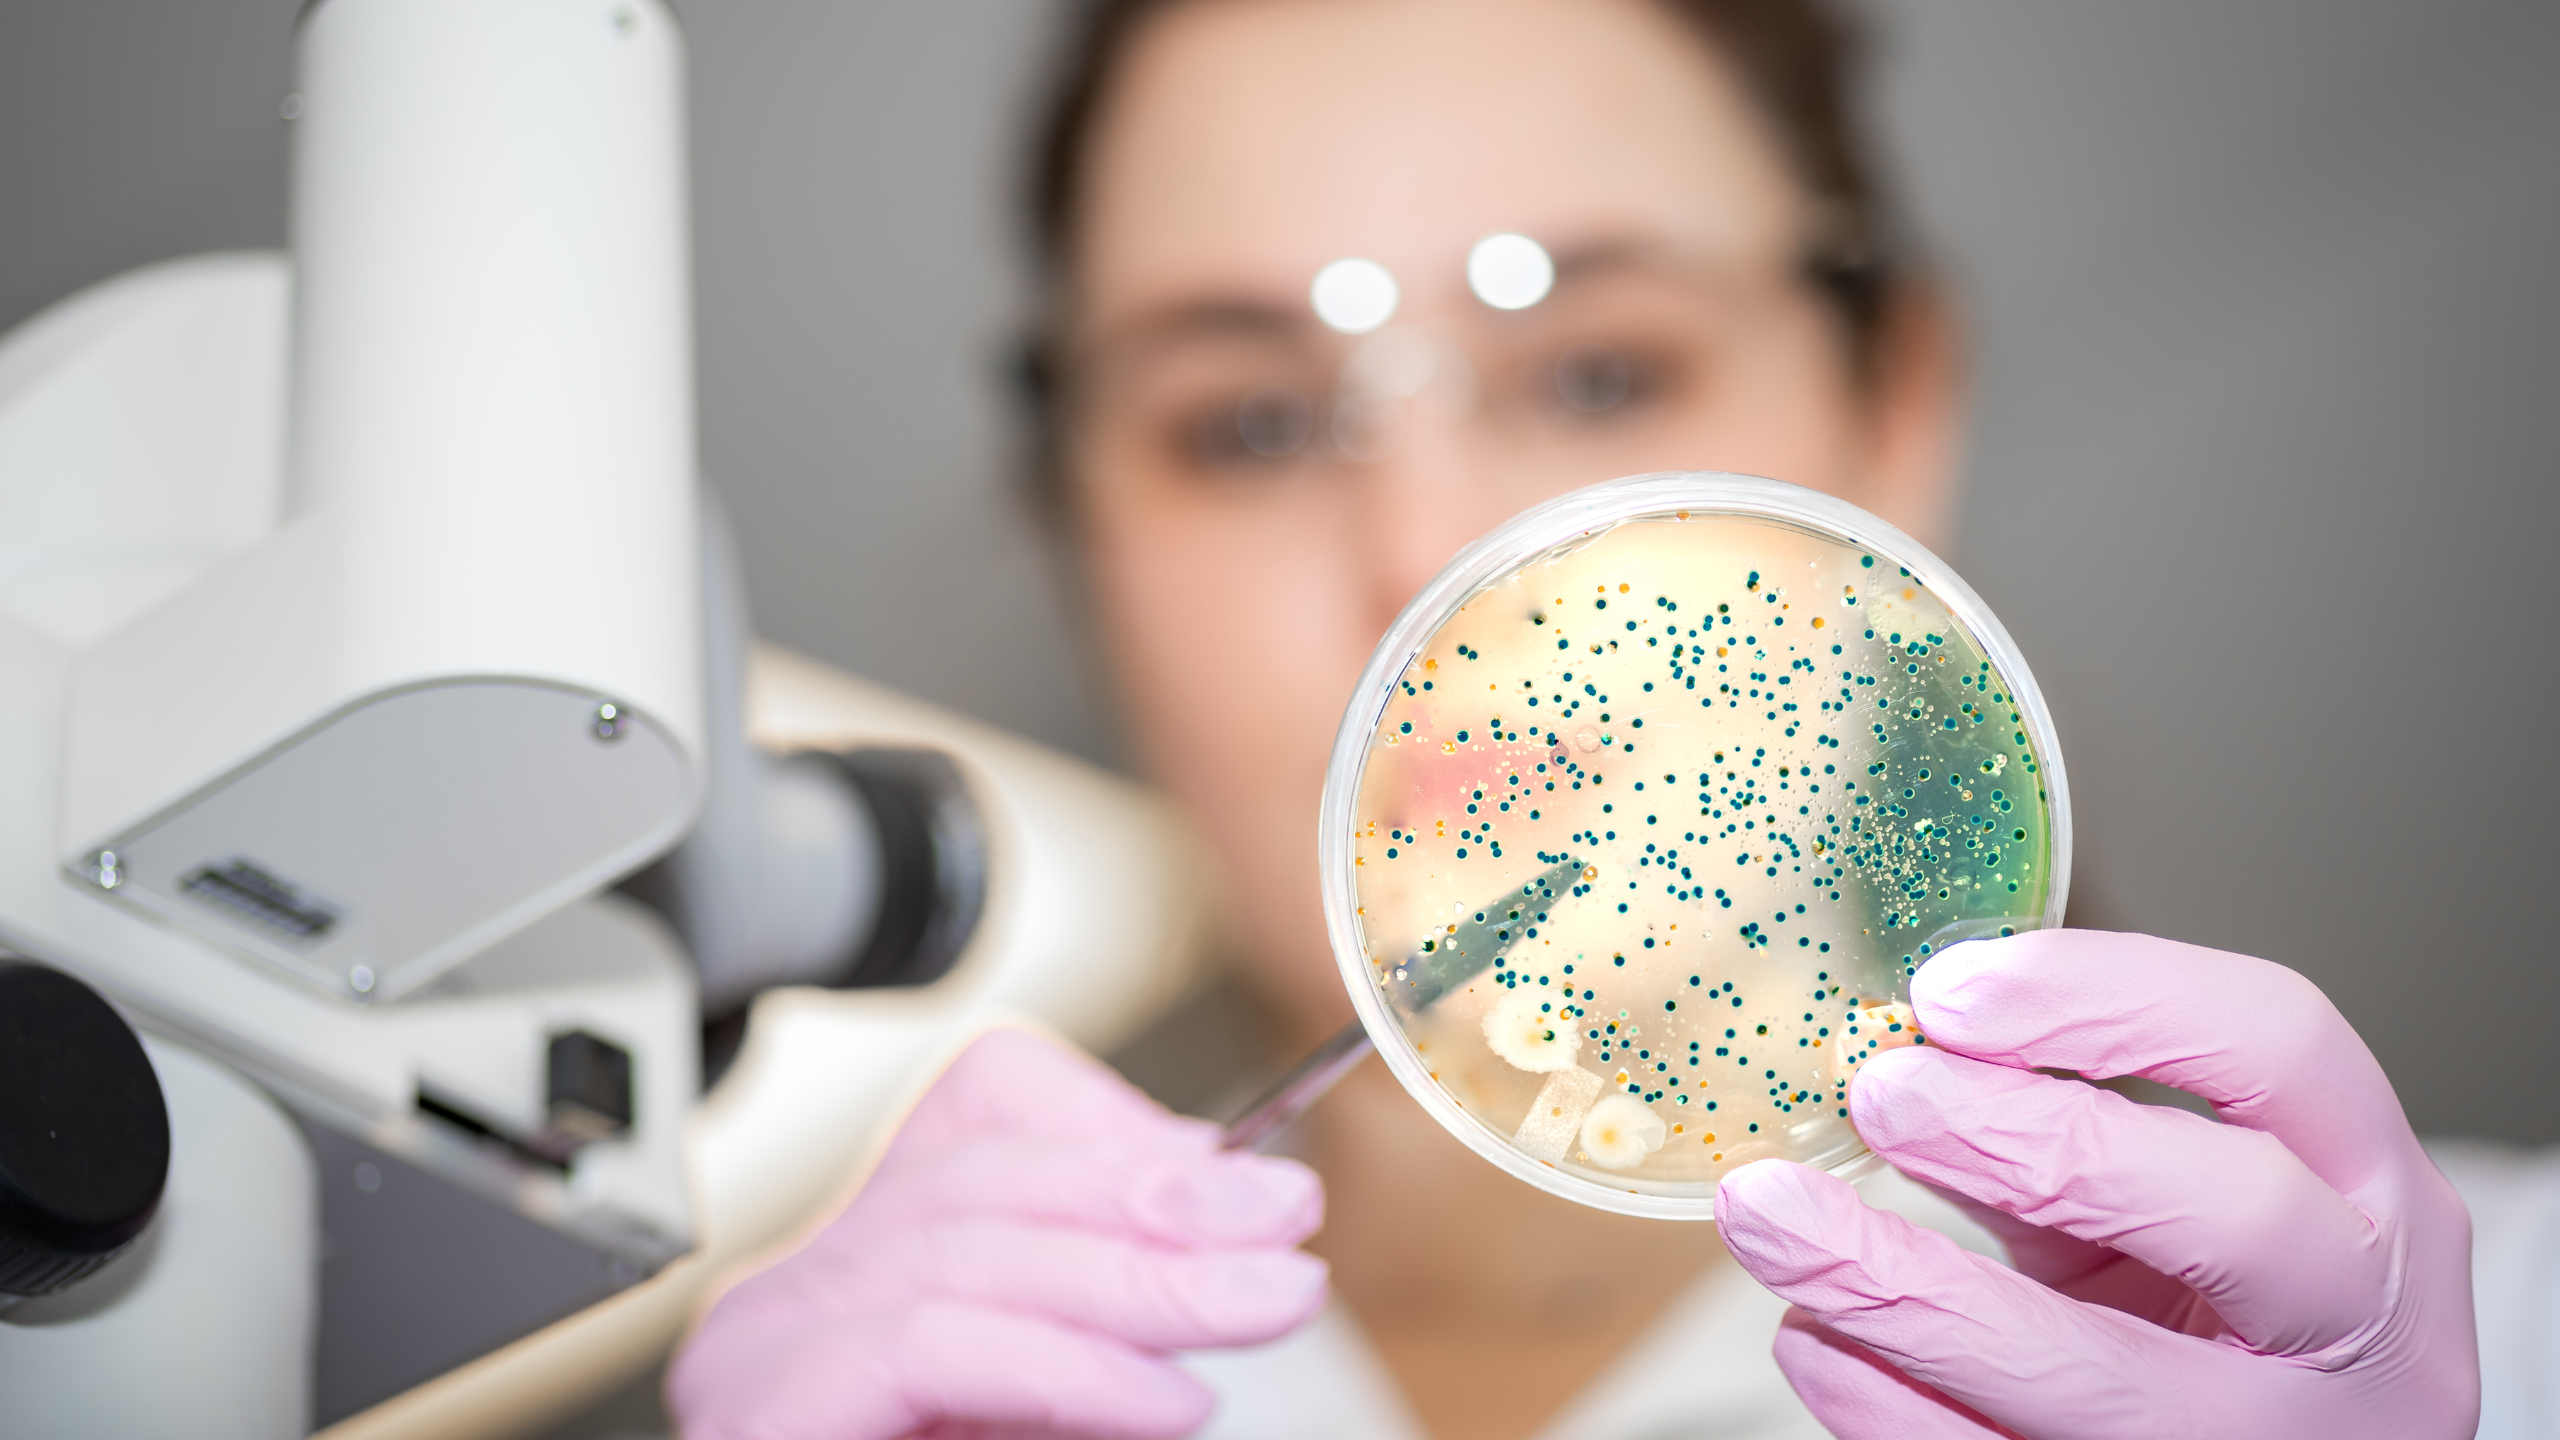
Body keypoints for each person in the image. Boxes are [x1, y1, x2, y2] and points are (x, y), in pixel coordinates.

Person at [665, 1, 2480, 1436]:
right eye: (1250, 424)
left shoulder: (2483, 1340)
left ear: (1896, 412)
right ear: (1083, 540)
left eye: (1597, 370)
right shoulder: (938, 1395)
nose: (1427, 548)